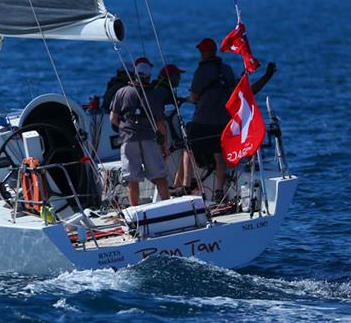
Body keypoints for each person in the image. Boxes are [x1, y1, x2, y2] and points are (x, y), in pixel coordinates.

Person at [175, 37, 276, 200]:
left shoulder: (202, 71)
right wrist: (267, 76)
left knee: (188, 147)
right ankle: (219, 191)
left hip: (202, 122)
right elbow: (245, 92)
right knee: (218, 155)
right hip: (223, 123)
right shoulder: (227, 70)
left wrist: (186, 99)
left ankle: (185, 185)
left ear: (205, 52)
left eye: (201, 50)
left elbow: (194, 98)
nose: (200, 53)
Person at [110, 61, 171, 206]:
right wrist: (164, 146)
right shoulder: (154, 95)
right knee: (159, 176)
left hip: (128, 139)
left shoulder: (122, 92)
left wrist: (125, 129)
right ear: (149, 77)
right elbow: (160, 124)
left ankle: (135, 212)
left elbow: (113, 118)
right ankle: (168, 206)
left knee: (132, 180)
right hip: (149, 139)